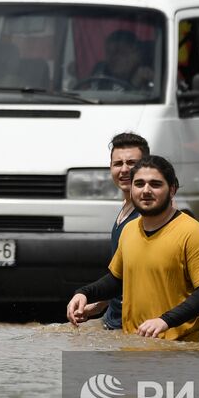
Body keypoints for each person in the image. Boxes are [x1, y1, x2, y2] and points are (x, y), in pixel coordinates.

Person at [66, 155, 199, 342]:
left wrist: (165, 321)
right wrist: (84, 293)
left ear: (172, 189)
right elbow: (117, 280)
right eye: (139, 184)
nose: (146, 191)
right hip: (138, 345)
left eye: (155, 184)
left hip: (187, 348)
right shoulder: (129, 230)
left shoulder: (193, 233)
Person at [76, 132, 149, 329]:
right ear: (110, 168)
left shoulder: (148, 217)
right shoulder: (125, 209)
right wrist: (98, 306)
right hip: (111, 320)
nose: (124, 169)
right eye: (118, 164)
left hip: (131, 328)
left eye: (132, 163)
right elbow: (123, 275)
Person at [90, 29, 155, 88]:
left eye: (119, 52)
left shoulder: (148, 76)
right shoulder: (100, 73)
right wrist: (134, 85)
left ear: (136, 55)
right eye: (108, 52)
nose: (112, 57)